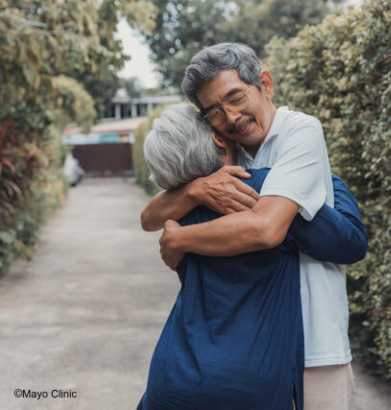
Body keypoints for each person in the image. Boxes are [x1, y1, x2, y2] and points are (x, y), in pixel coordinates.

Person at [142, 43, 365, 409]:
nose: (230, 116)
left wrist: (181, 237)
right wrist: (197, 190)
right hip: (261, 355)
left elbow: (267, 229)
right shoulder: (228, 160)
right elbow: (148, 217)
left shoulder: (300, 133)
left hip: (317, 342)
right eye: (214, 111)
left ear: (265, 83)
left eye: (236, 97)